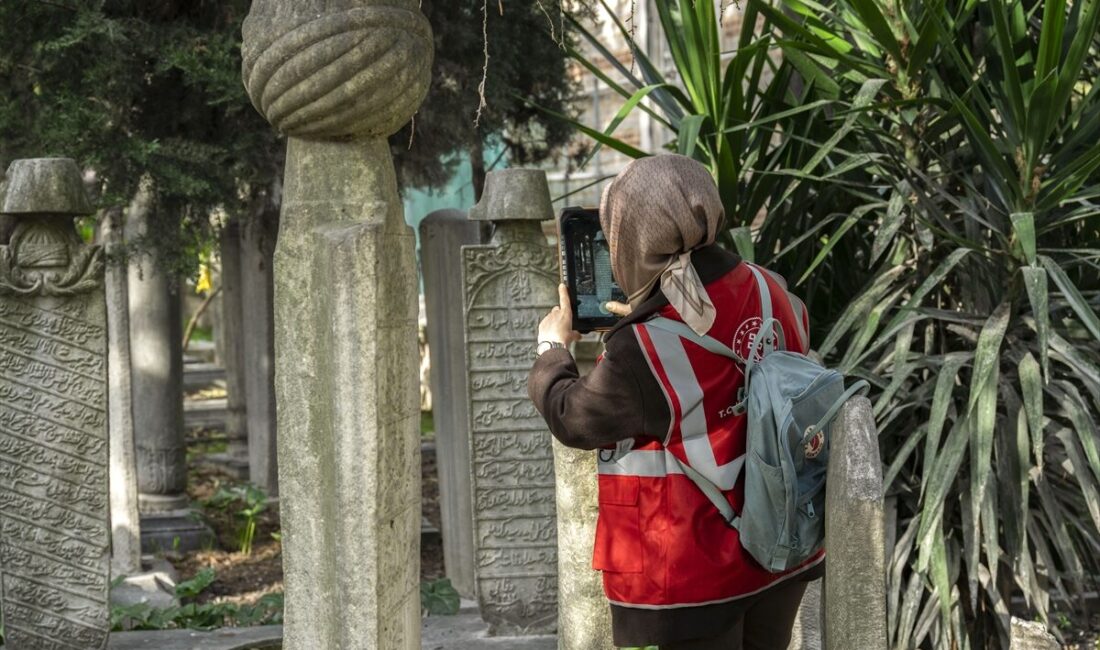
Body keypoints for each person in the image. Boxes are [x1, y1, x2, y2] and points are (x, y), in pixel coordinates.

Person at [527, 155, 823, 649]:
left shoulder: (641, 347)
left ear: (632, 240)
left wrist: (551, 348)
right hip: (779, 549)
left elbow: (572, 415)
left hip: (696, 574)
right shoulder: (772, 289)